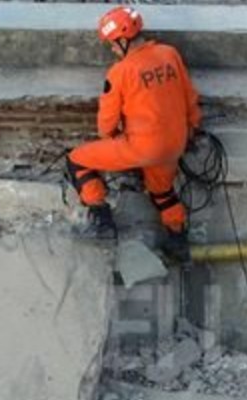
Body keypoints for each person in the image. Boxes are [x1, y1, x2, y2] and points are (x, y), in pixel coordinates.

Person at [66, 6, 202, 257]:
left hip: (141, 147)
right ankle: (177, 238)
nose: (113, 50)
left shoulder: (120, 72)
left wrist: (110, 142)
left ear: (123, 39)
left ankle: (101, 217)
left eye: (113, 45)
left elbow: (106, 122)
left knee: (77, 159)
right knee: (162, 191)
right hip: (175, 143)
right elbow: (190, 97)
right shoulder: (169, 54)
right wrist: (192, 128)